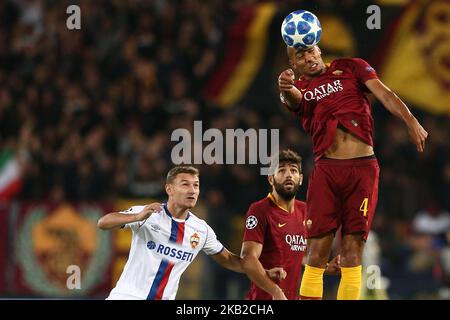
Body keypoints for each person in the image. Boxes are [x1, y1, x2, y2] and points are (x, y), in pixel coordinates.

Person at [277, 45, 428, 300]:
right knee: (316, 254)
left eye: (310, 51)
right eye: (300, 56)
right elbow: (294, 100)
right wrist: (285, 87)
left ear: (319, 49)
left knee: (352, 252)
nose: (308, 58)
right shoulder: (300, 88)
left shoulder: (351, 67)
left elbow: (386, 94)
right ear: (294, 65)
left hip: (363, 169)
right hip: (327, 170)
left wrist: (411, 121)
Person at [97, 165, 285, 300]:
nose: (192, 190)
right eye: (185, 184)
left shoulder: (201, 230)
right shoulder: (149, 214)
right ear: (169, 189)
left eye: (196, 185)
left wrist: (263, 272)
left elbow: (230, 260)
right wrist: (136, 217)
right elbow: (103, 222)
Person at [240, 149, 340, 300]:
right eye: (281, 170)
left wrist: (325, 268)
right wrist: (275, 291)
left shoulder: (305, 211)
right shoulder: (260, 210)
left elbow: (299, 256)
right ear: (271, 179)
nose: (288, 175)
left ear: (300, 179)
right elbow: (248, 258)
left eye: (293, 171)